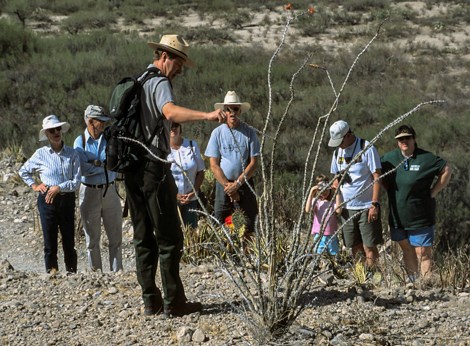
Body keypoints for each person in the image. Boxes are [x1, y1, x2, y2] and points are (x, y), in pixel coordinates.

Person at [124, 34, 225, 317]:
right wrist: (206, 116)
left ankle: (149, 301)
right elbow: (170, 111)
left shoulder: (140, 80)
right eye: (178, 62)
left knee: (142, 237)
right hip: (153, 168)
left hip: (131, 168)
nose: (180, 69)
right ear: (165, 56)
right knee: (169, 238)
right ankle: (174, 303)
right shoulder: (159, 82)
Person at [381, 125, 452, 280]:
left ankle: (426, 285)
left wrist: (434, 191)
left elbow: (446, 169)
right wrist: (389, 190)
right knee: (407, 250)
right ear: (397, 142)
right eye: (400, 139)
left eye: (407, 138)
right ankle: (412, 283)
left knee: (423, 252)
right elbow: (377, 175)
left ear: (414, 139)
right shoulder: (388, 159)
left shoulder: (426, 158)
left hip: (421, 216)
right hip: (397, 216)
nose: (404, 141)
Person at [18, 115, 81, 274]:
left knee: (69, 240)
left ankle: (72, 274)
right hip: (47, 201)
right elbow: (23, 171)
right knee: (49, 241)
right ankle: (52, 275)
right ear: (46, 134)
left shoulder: (72, 154)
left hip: (66, 200)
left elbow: (76, 181)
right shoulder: (40, 154)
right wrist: (35, 185)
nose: (56, 132)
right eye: (51, 130)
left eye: (58, 129)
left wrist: (58, 187)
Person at [73, 105, 123, 273]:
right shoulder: (79, 141)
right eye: (100, 121)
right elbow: (83, 170)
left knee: (115, 235)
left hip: (110, 189)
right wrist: (103, 165)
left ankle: (117, 272)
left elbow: (114, 165)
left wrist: (95, 163)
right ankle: (96, 273)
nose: (103, 125)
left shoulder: (108, 139)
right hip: (89, 191)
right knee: (92, 238)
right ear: (90, 121)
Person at [204, 91, 260, 239]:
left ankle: (246, 253)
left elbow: (253, 163)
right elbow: (214, 165)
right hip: (223, 184)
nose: (232, 113)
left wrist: (238, 183)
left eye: (235, 109)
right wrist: (229, 187)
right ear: (224, 111)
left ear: (240, 111)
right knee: (220, 218)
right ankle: (226, 250)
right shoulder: (217, 133)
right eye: (228, 109)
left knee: (249, 220)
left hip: (245, 183)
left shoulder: (250, 132)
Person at [329, 120, 383, 268]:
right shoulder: (337, 153)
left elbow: (376, 177)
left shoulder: (366, 148)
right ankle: (360, 276)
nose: (339, 145)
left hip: (366, 206)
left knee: (369, 246)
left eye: (340, 141)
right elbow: (335, 178)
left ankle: (374, 275)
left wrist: (374, 203)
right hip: (346, 208)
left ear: (348, 135)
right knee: (354, 246)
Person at [167, 122, 205, 230]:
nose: (173, 129)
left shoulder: (192, 145)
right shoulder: (163, 149)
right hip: (172, 200)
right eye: (170, 126)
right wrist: (175, 195)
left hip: (191, 199)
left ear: (180, 127)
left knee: (191, 232)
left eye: (175, 125)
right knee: (174, 232)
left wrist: (194, 191)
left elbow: (201, 172)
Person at [305, 174, 342, 256]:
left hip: (332, 234)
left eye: (326, 189)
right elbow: (307, 210)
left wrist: (337, 192)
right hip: (319, 235)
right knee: (319, 255)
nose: (324, 192)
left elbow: (339, 210)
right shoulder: (316, 202)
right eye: (321, 189)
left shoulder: (332, 203)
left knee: (334, 254)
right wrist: (311, 192)